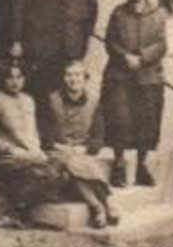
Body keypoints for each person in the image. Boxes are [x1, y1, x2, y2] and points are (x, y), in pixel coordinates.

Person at [0, 62, 111, 228]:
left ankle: (99, 206)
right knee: (61, 168)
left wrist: (37, 150)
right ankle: (101, 206)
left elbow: (33, 134)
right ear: (3, 80)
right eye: (9, 78)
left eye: (19, 77)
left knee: (71, 163)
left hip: (35, 155)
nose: (14, 82)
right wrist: (11, 149)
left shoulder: (29, 100)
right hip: (11, 157)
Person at [100, 0, 168, 189]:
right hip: (120, 76)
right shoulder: (118, 14)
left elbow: (161, 44)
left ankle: (142, 166)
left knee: (146, 122)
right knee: (119, 119)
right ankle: (119, 166)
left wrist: (143, 58)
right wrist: (125, 57)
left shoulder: (158, 14)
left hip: (148, 77)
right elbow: (110, 42)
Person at [43, 60, 119, 227]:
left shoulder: (94, 101)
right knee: (71, 162)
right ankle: (106, 203)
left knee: (77, 163)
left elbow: (99, 136)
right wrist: (58, 146)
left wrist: (84, 148)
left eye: (77, 75)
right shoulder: (52, 100)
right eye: (69, 75)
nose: (73, 79)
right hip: (58, 151)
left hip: (81, 152)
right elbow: (44, 132)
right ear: (63, 78)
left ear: (85, 78)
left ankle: (98, 208)